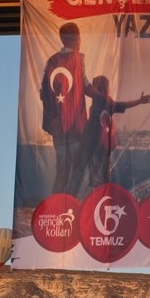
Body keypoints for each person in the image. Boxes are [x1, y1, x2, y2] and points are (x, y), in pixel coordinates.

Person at [40, 23, 106, 196]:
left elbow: (43, 91)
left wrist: (53, 116)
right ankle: (70, 203)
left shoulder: (51, 61)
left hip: (58, 127)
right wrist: (104, 97)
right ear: (76, 39)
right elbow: (85, 86)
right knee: (77, 169)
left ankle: (56, 205)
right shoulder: (77, 58)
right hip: (75, 125)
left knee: (61, 170)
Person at [74, 75, 150, 196]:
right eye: (106, 87)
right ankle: (97, 206)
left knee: (98, 183)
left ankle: (96, 205)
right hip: (100, 151)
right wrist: (139, 101)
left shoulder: (99, 106)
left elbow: (122, 105)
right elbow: (123, 105)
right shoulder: (106, 104)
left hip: (98, 151)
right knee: (99, 183)